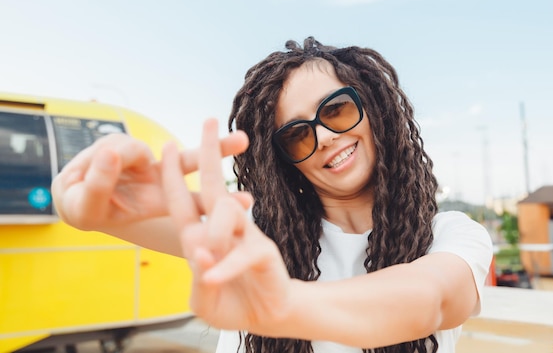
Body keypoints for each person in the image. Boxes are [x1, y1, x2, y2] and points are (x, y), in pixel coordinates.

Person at [52, 37, 493, 353]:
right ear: (285, 160)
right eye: (297, 135)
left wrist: (281, 304)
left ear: (376, 110)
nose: (322, 137)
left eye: (336, 108)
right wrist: (79, 193)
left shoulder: (452, 235)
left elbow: (431, 299)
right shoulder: (252, 234)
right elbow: (97, 214)